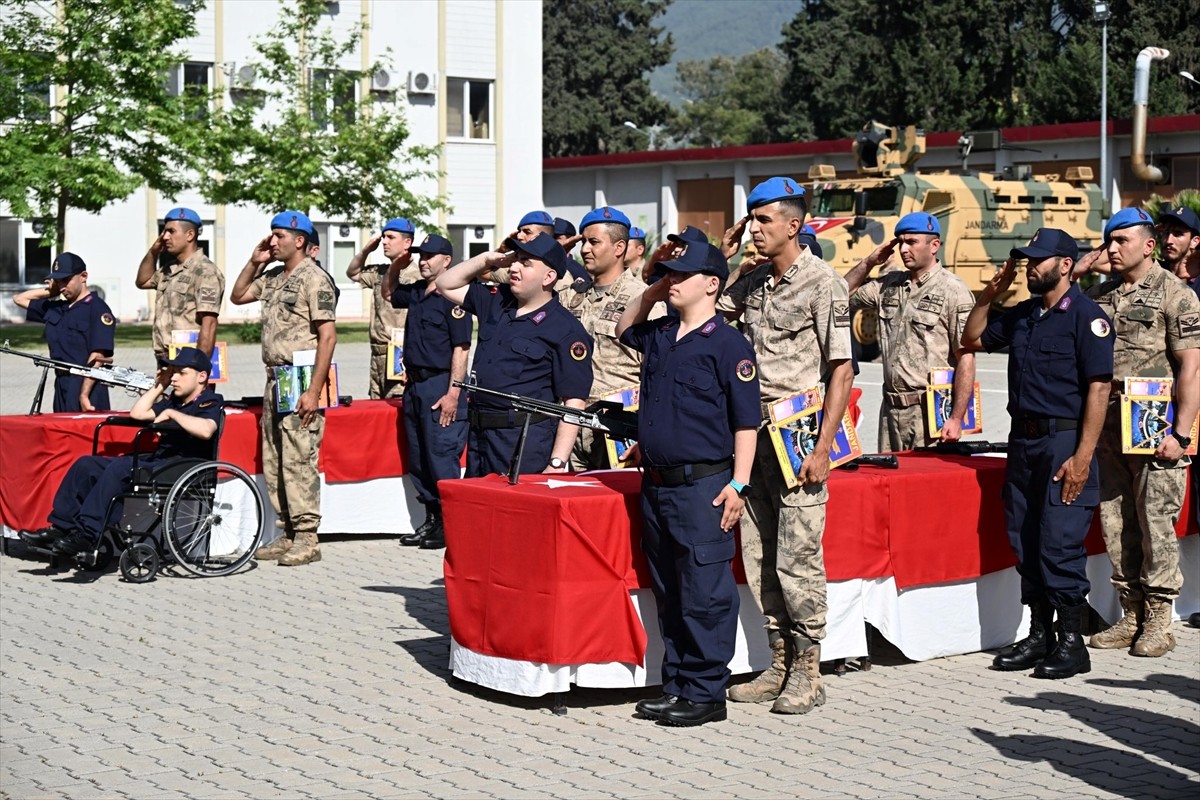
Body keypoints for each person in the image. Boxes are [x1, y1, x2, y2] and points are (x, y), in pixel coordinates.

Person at [716, 176, 855, 715]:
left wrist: (823, 448)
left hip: (798, 437)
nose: (754, 228)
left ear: (794, 225)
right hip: (752, 437)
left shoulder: (823, 283)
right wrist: (730, 261)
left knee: (798, 558)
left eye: (763, 220)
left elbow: (841, 369)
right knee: (759, 555)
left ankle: (808, 671)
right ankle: (778, 661)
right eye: (751, 219)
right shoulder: (753, 282)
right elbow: (713, 319)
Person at [616, 240, 760, 727]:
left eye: (682, 275)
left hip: (704, 487)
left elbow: (746, 423)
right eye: (668, 274)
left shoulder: (728, 344)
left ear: (712, 284)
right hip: (658, 485)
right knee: (671, 592)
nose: (672, 281)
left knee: (704, 593)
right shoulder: (661, 333)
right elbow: (622, 328)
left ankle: (706, 693)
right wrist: (653, 291)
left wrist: (739, 484)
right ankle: (677, 684)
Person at [961, 228, 1113, 679]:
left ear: (1065, 265)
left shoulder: (1087, 317)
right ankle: (1040, 633)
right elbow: (973, 338)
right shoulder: (1026, 314)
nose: (1030, 267)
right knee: (1025, 538)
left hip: (1063, 441)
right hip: (1023, 443)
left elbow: (1099, 389)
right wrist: (988, 295)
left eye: (1039, 260)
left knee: (1058, 542)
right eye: (1028, 259)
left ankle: (1072, 643)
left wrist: (1082, 457)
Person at [1085, 207, 1200, 657]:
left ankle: (1158, 620)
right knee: (1115, 520)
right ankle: (1130, 613)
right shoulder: (1100, 295)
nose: (1112, 249)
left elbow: (1191, 369)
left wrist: (1181, 434)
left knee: (1156, 522)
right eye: (1109, 241)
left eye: (1122, 241)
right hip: (1109, 427)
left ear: (1149, 245)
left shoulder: (1176, 294)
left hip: (1155, 427)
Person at [20, 347, 222, 556]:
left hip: (183, 464)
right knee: (86, 464)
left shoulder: (210, 401)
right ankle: (61, 528)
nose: (174, 378)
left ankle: (88, 535)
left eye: (181, 373)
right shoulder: (174, 401)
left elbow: (206, 430)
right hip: (159, 460)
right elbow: (138, 413)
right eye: (173, 372)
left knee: (120, 468)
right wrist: (160, 385)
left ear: (201, 377)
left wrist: (172, 414)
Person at [436, 233, 594, 477]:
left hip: (522, 440)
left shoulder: (566, 330)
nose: (514, 267)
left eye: (525, 263)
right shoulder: (497, 300)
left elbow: (574, 402)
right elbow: (445, 283)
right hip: (479, 437)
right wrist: (487, 259)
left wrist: (557, 462)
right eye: (516, 259)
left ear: (549, 277)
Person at [230, 210, 338, 567]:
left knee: (300, 457)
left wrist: (314, 390)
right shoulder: (274, 278)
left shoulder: (315, 278)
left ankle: (308, 537)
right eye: (271, 235)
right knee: (275, 456)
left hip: (303, 375)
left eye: (279, 236)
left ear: (300, 241)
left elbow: (327, 336)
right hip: (276, 377)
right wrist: (255, 261)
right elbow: (238, 295)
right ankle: (288, 531)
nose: (272, 241)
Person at [845, 212, 977, 449]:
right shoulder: (889, 284)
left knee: (926, 473)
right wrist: (868, 263)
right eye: (901, 242)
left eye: (912, 242)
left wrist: (957, 418)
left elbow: (965, 358)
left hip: (929, 413)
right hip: (890, 410)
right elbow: (840, 296)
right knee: (889, 473)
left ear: (934, 246)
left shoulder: (953, 290)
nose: (904, 249)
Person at [384, 234, 472, 550]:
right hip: (415, 385)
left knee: (440, 457)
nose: (423, 261)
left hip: (441, 384)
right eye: (422, 256)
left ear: (446, 261)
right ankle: (432, 519)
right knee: (419, 457)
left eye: (430, 256)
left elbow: (461, 348)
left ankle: (451, 526)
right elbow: (388, 293)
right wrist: (396, 265)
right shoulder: (418, 292)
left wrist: (453, 395)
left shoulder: (454, 297)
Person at [560, 206, 659, 470]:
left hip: (617, 429)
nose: (584, 249)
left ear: (619, 248)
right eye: (583, 242)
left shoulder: (644, 299)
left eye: (593, 242)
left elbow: (657, 372)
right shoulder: (572, 295)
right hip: (570, 424)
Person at [12, 253, 115, 413]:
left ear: (83, 276)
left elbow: (98, 357)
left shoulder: (98, 309)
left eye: (65, 280)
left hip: (87, 384)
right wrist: (50, 292)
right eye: (58, 281)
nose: (61, 286)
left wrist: (84, 394)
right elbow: (19, 299)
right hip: (61, 383)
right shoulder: (58, 308)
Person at [135, 207, 224, 366]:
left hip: (188, 360)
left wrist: (197, 366)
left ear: (190, 235)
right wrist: (153, 252)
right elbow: (143, 281)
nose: (165, 237)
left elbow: (209, 323)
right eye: (164, 231)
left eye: (171, 231)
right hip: (165, 358)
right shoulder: (169, 269)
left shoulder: (205, 271)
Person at [346, 218, 419, 399]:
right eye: (383, 237)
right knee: (375, 405)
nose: (384, 242)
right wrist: (366, 251)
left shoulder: (418, 276)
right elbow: (353, 273)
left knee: (397, 404)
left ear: (407, 242)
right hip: (377, 355)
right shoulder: (380, 272)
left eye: (391, 237)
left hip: (400, 354)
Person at [1156, 205, 1200, 295]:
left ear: (1194, 241)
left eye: (1178, 234)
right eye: (1166, 232)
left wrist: (1182, 278)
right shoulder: (1154, 269)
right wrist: (1149, 233)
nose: (1169, 241)